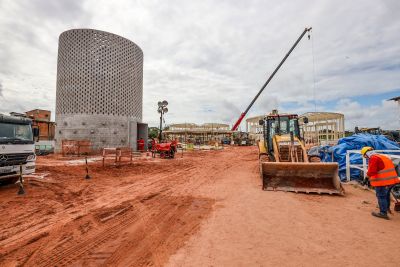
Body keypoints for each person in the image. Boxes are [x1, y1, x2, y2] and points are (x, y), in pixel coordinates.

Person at [361, 146, 400, 220]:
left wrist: (366, 179)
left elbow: (372, 171)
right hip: (392, 180)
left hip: (383, 181)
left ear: (366, 154)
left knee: (381, 196)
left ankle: (383, 213)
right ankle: (387, 208)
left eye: (365, 156)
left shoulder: (373, 158)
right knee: (386, 195)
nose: (365, 158)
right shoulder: (382, 156)